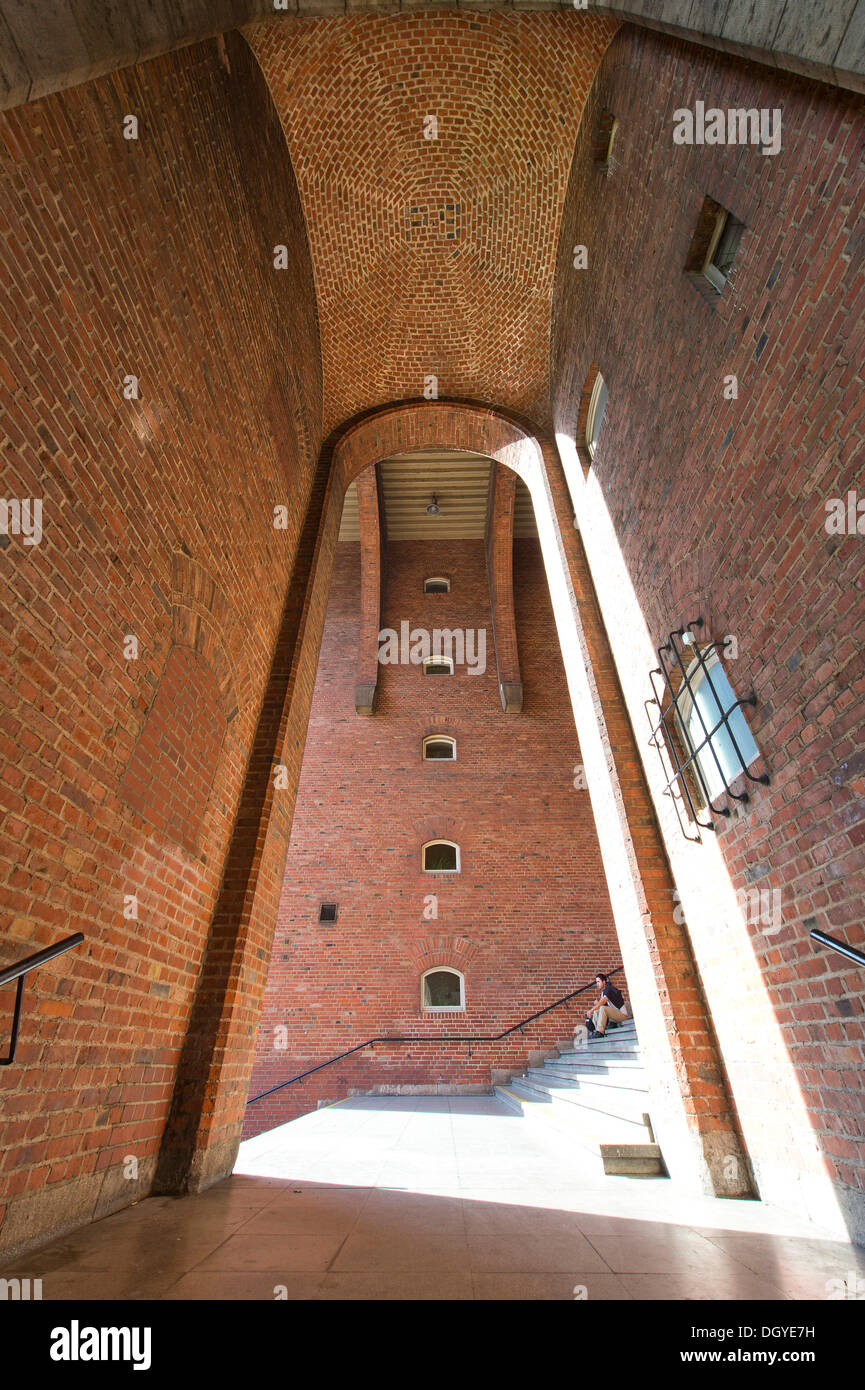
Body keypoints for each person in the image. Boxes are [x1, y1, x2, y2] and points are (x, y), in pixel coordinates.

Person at [585, 972, 628, 1039]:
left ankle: (600, 1032)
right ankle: (596, 1031)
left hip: (622, 1015)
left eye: (598, 982)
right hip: (613, 1016)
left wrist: (591, 1010)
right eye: (596, 982)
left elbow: (603, 1001)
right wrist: (596, 1006)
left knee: (602, 1008)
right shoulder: (604, 992)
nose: (597, 984)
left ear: (604, 982)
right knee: (597, 1010)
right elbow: (603, 1004)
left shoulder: (609, 988)